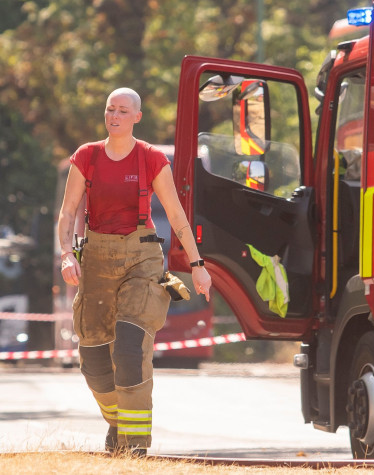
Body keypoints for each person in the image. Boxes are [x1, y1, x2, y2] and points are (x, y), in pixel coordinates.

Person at [58, 87, 212, 456]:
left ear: (137, 117)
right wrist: (67, 254)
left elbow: (176, 216)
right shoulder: (87, 156)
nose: (114, 115)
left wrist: (198, 265)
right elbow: (67, 214)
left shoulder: (151, 158)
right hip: (95, 259)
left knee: (129, 349)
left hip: (141, 259)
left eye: (123, 110)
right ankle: (117, 423)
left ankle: (135, 448)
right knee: (94, 361)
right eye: (110, 109)